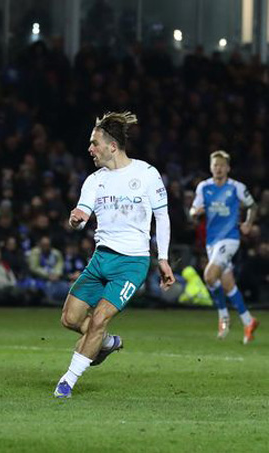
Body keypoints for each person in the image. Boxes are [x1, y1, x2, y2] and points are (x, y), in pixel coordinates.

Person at [54, 112, 174, 398]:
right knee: (70, 319)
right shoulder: (95, 180)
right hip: (101, 259)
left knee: (98, 320)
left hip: (132, 263)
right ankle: (104, 343)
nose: (90, 149)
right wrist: (77, 219)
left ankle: (67, 382)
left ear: (112, 146)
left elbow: (163, 217)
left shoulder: (146, 174)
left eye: (94, 143)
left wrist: (163, 258)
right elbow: (82, 215)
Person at [189, 150, 258, 343]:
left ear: (228, 168)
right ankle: (248, 321)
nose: (218, 169)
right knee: (227, 285)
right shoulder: (204, 187)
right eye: (215, 165)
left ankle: (223, 316)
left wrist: (248, 223)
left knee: (209, 276)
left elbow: (253, 206)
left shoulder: (236, 187)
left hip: (230, 240)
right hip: (212, 242)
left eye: (222, 165)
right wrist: (195, 212)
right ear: (211, 167)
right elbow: (192, 210)